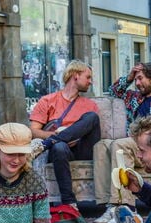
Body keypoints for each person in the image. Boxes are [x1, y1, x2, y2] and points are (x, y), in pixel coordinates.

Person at [93, 62, 151, 223]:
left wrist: (146, 135)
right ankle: (109, 206)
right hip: (133, 144)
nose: (137, 83)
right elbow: (114, 91)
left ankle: (125, 206)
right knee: (101, 145)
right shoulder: (134, 97)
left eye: (140, 79)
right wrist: (130, 76)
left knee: (119, 144)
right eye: (136, 80)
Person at [29, 60, 101, 207]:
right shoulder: (47, 101)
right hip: (60, 151)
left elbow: (91, 130)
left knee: (92, 117)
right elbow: (33, 131)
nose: (90, 82)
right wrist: (53, 136)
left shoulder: (90, 105)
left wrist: (65, 137)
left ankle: (53, 141)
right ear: (75, 76)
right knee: (59, 147)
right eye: (88, 77)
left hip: (83, 148)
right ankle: (69, 202)